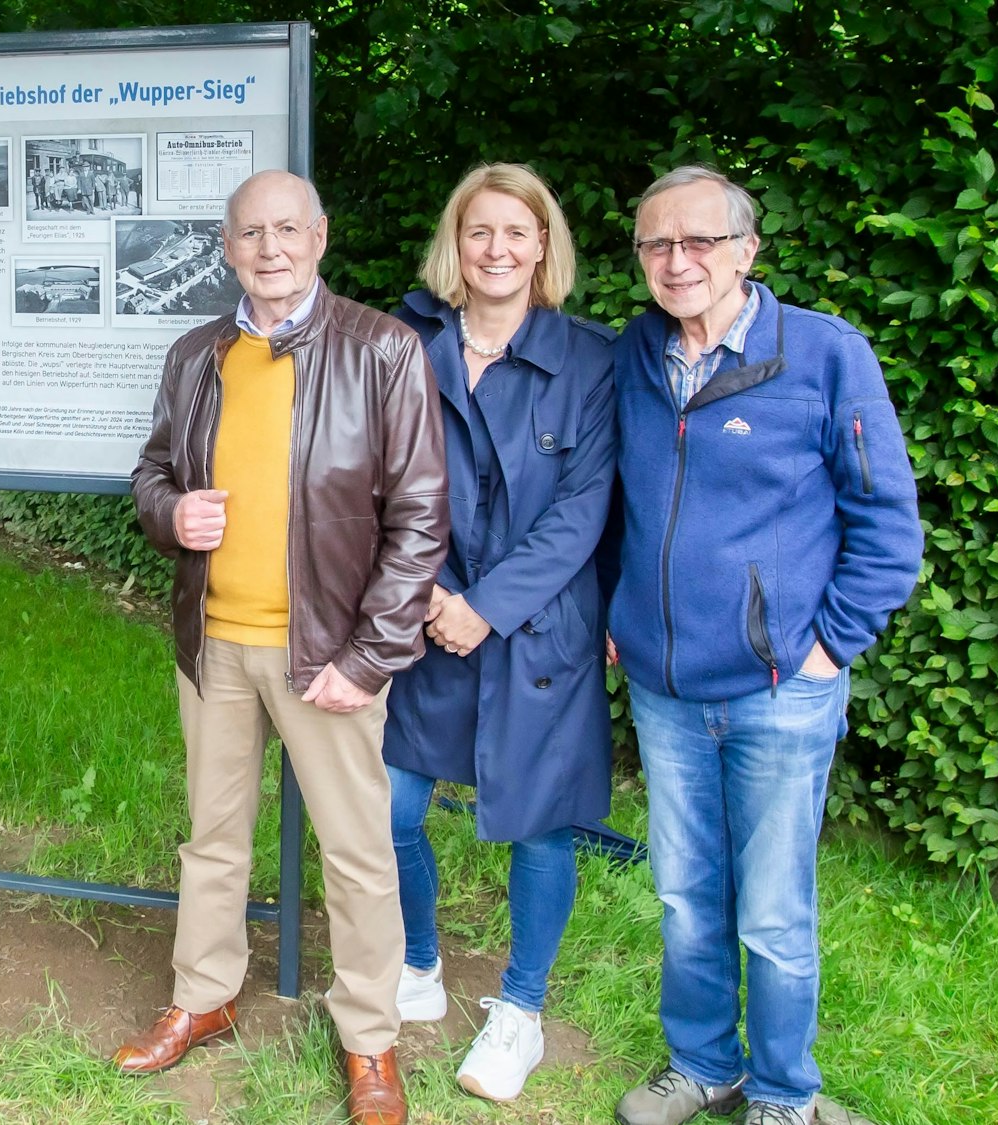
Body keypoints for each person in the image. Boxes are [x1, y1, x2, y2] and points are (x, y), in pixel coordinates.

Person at [122, 170, 449, 1125]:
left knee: (356, 855)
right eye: (250, 233)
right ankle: (204, 996)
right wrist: (171, 512)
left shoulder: (382, 351)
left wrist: (369, 655)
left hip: (329, 654)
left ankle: (371, 1043)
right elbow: (149, 472)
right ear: (227, 247)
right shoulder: (196, 356)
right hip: (214, 643)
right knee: (212, 840)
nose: (269, 248)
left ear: (319, 237)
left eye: (286, 230)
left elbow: (421, 517)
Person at [608, 166, 921, 1125]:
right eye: (658, 243)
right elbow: (614, 500)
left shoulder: (825, 355)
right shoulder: (636, 354)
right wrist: (620, 614)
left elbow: (888, 526)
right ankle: (704, 1063)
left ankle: (785, 1094)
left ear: (748, 250)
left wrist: (829, 648)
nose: (678, 260)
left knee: (775, 908)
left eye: (701, 240)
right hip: (664, 686)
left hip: (781, 688)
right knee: (686, 894)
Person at [379, 163, 618, 1102]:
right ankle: (420, 964)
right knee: (393, 808)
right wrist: (437, 592)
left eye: (519, 232)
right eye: (480, 231)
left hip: (540, 625)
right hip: (424, 616)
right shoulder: (407, 343)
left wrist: (489, 604)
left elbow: (585, 507)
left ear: (544, 247)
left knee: (542, 824)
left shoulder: (592, 360)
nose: (498, 249)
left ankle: (520, 1012)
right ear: (456, 242)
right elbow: (379, 475)